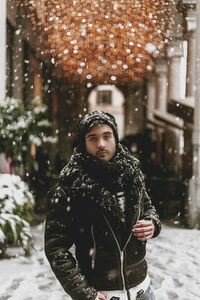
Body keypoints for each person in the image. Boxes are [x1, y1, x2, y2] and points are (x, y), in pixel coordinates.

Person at [44, 111, 161, 300]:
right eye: (93, 138)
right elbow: (56, 249)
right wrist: (84, 293)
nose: (101, 144)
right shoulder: (69, 188)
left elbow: (147, 206)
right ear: (84, 143)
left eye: (107, 136)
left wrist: (152, 223)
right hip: (102, 294)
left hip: (143, 290)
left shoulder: (131, 175)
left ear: (115, 138)